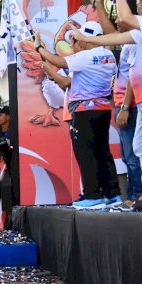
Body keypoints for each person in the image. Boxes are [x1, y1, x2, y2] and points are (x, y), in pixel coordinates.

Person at [36, 21, 121, 208]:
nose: (78, 41)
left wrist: (38, 47)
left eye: (80, 37)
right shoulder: (109, 55)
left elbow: (58, 62)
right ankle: (113, 194)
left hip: (84, 112)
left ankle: (93, 195)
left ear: (88, 37)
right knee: (102, 152)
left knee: (86, 154)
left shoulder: (85, 56)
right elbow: (68, 81)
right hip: (103, 110)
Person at [72, 0, 142, 209]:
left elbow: (124, 19)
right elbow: (115, 34)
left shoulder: (134, 29)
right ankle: (135, 195)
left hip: (129, 104)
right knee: (136, 150)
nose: (138, 5)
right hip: (133, 101)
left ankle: (136, 194)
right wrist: (85, 37)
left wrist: (126, 107)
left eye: (139, 2)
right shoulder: (135, 37)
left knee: (132, 154)